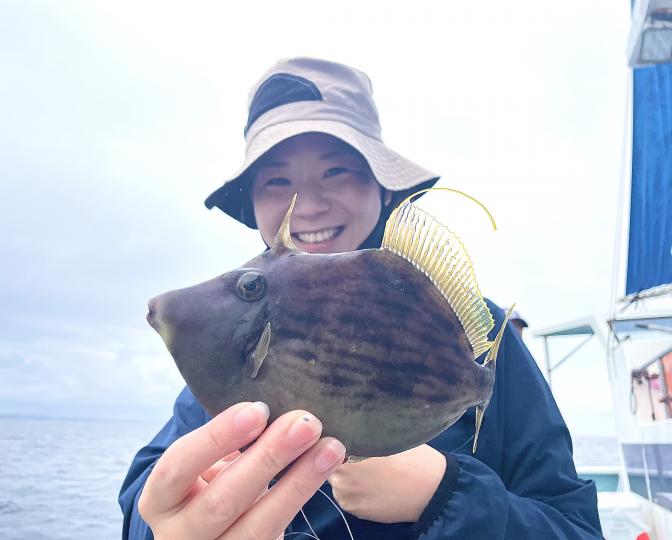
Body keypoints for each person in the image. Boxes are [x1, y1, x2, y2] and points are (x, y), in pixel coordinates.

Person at [119, 57, 603, 539]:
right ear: (254, 204)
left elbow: (576, 528)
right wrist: (169, 525)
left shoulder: (471, 333)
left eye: (336, 171)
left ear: (384, 190)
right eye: (277, 181)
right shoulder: (235, 350)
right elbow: (145, 498)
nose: (309, 205)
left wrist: (446, 494)